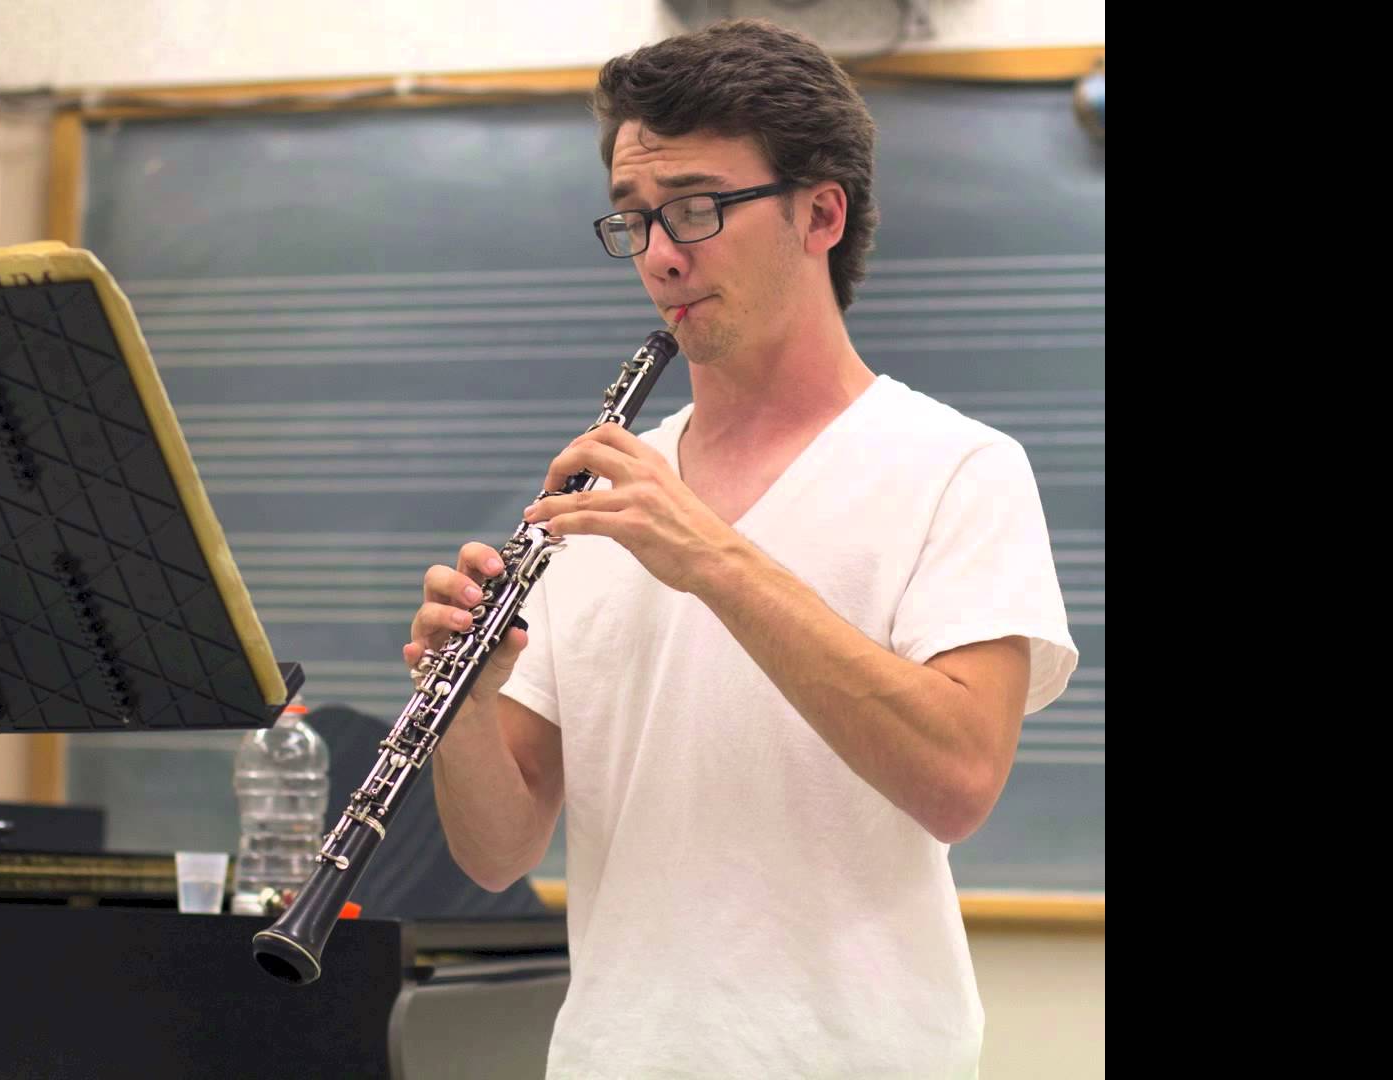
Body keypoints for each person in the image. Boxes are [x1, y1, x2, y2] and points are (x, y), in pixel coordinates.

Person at [404, 18, 1079, 1078]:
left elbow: (957, 782)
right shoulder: (603, 495)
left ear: (821, 214)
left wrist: (712, 557)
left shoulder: (959, 468)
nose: (661, 255)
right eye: (635, 219)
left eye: (698, 208)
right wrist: (470, 709)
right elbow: (498, 852)